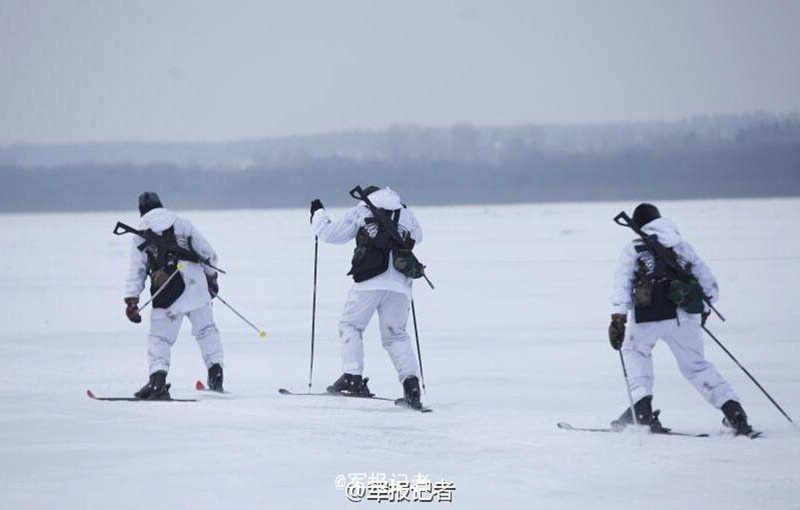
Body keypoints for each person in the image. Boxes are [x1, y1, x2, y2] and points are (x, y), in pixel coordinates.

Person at [608, 203, 755, 435]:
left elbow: (622, 286)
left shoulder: (632, 249)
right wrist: (704, 310)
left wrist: (618, 319)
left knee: (635, 352)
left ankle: (641, 408)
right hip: (685, 316)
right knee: (696, 367)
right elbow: (708, 283)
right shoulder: (682, 246)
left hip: (647, 316)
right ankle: (733, 410)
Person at [310, 186, 425, 409]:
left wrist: (318, 214)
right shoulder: (405, 212)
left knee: (350, 325)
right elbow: (418, 237)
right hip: (400, 283)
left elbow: (329, 235)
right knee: (396, 336)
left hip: (369, 280)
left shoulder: (362, 211)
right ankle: (411, 386)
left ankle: (352, 378)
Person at [123, 192, 225, 399]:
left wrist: (132, 300)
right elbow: (207, 253)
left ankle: (157, 382)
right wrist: (212, 280)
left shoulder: (141, 234)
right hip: (196, 285)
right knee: (207, 331)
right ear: (162, 205)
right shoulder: (183, 224)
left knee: (160, 338)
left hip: (167, 292)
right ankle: (216, 376)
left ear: (141, 210)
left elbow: (138, 270)